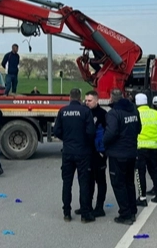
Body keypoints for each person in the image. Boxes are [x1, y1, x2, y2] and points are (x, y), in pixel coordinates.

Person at [53, 88, 95, 223]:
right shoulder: (86, 111)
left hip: (68, 152)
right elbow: (91, 132)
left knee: (67, 183)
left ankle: (66, 213)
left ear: (69, 98)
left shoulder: (63, 111)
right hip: (83, 152)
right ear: (80, 98)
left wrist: (66, 139)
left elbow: (56, 131)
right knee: (84, 183)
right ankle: (85, 215)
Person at [103, 88, 141, 225]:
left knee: (118, 184)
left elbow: (111, 132)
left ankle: (125, 214)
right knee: (129, 182)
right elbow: (139, 129)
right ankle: (132, 211)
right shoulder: (134, 111)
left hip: (117, 154)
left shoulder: (114, 114)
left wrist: (103, 142)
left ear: (111, 99)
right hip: (131, 153)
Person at [135, 93, 157, 206]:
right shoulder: (156, 114)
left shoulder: (136, 114)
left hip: (140, 148)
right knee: (154, 171)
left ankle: (142, 198)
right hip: (154, 147)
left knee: (140, 173)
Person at [83, 91, 108, 218]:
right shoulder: (83, 112)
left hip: (99, 153)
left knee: (100, 180)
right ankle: (87, 206)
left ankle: (99, 207)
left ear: (97, 101)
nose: (87, 103)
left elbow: (108, 133)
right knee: (88, 181)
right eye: (86, 100)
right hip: (86, 153)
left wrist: (103, 150)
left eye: (90, 100)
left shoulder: (102, 114)